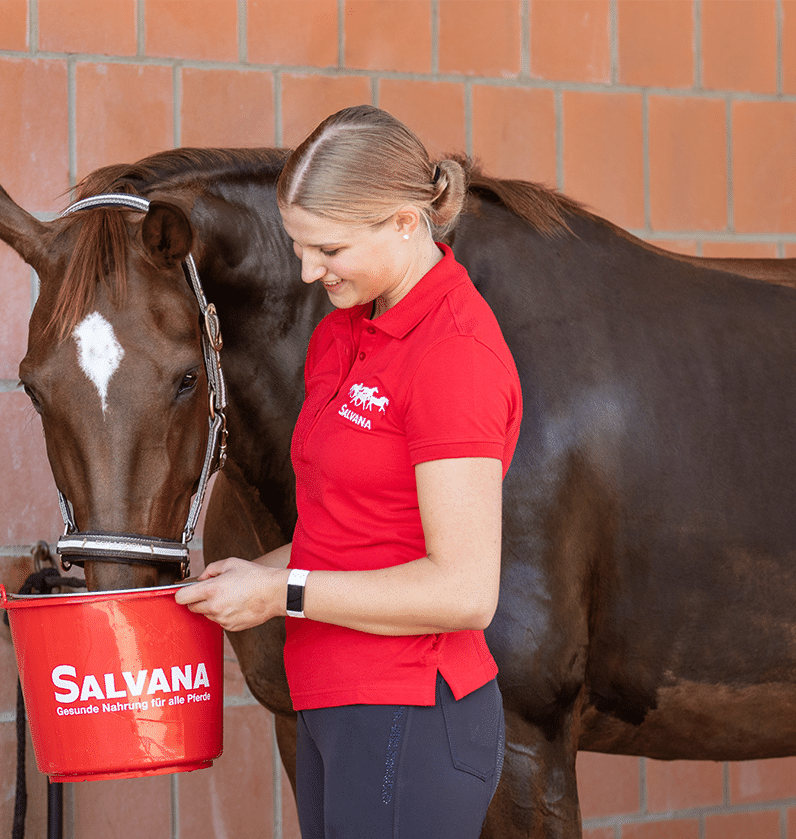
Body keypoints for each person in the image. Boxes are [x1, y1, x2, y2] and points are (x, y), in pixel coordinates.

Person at [176, 105, 523, 839]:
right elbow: (351, 532)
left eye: (327, 247)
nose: (308, 271)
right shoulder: (343, 331)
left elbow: (464, 590)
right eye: (299, 246)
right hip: (336, 704)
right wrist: (249, 575)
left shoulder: (454, 354)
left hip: (413, 712)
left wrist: (281, 591)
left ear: (404, 222)